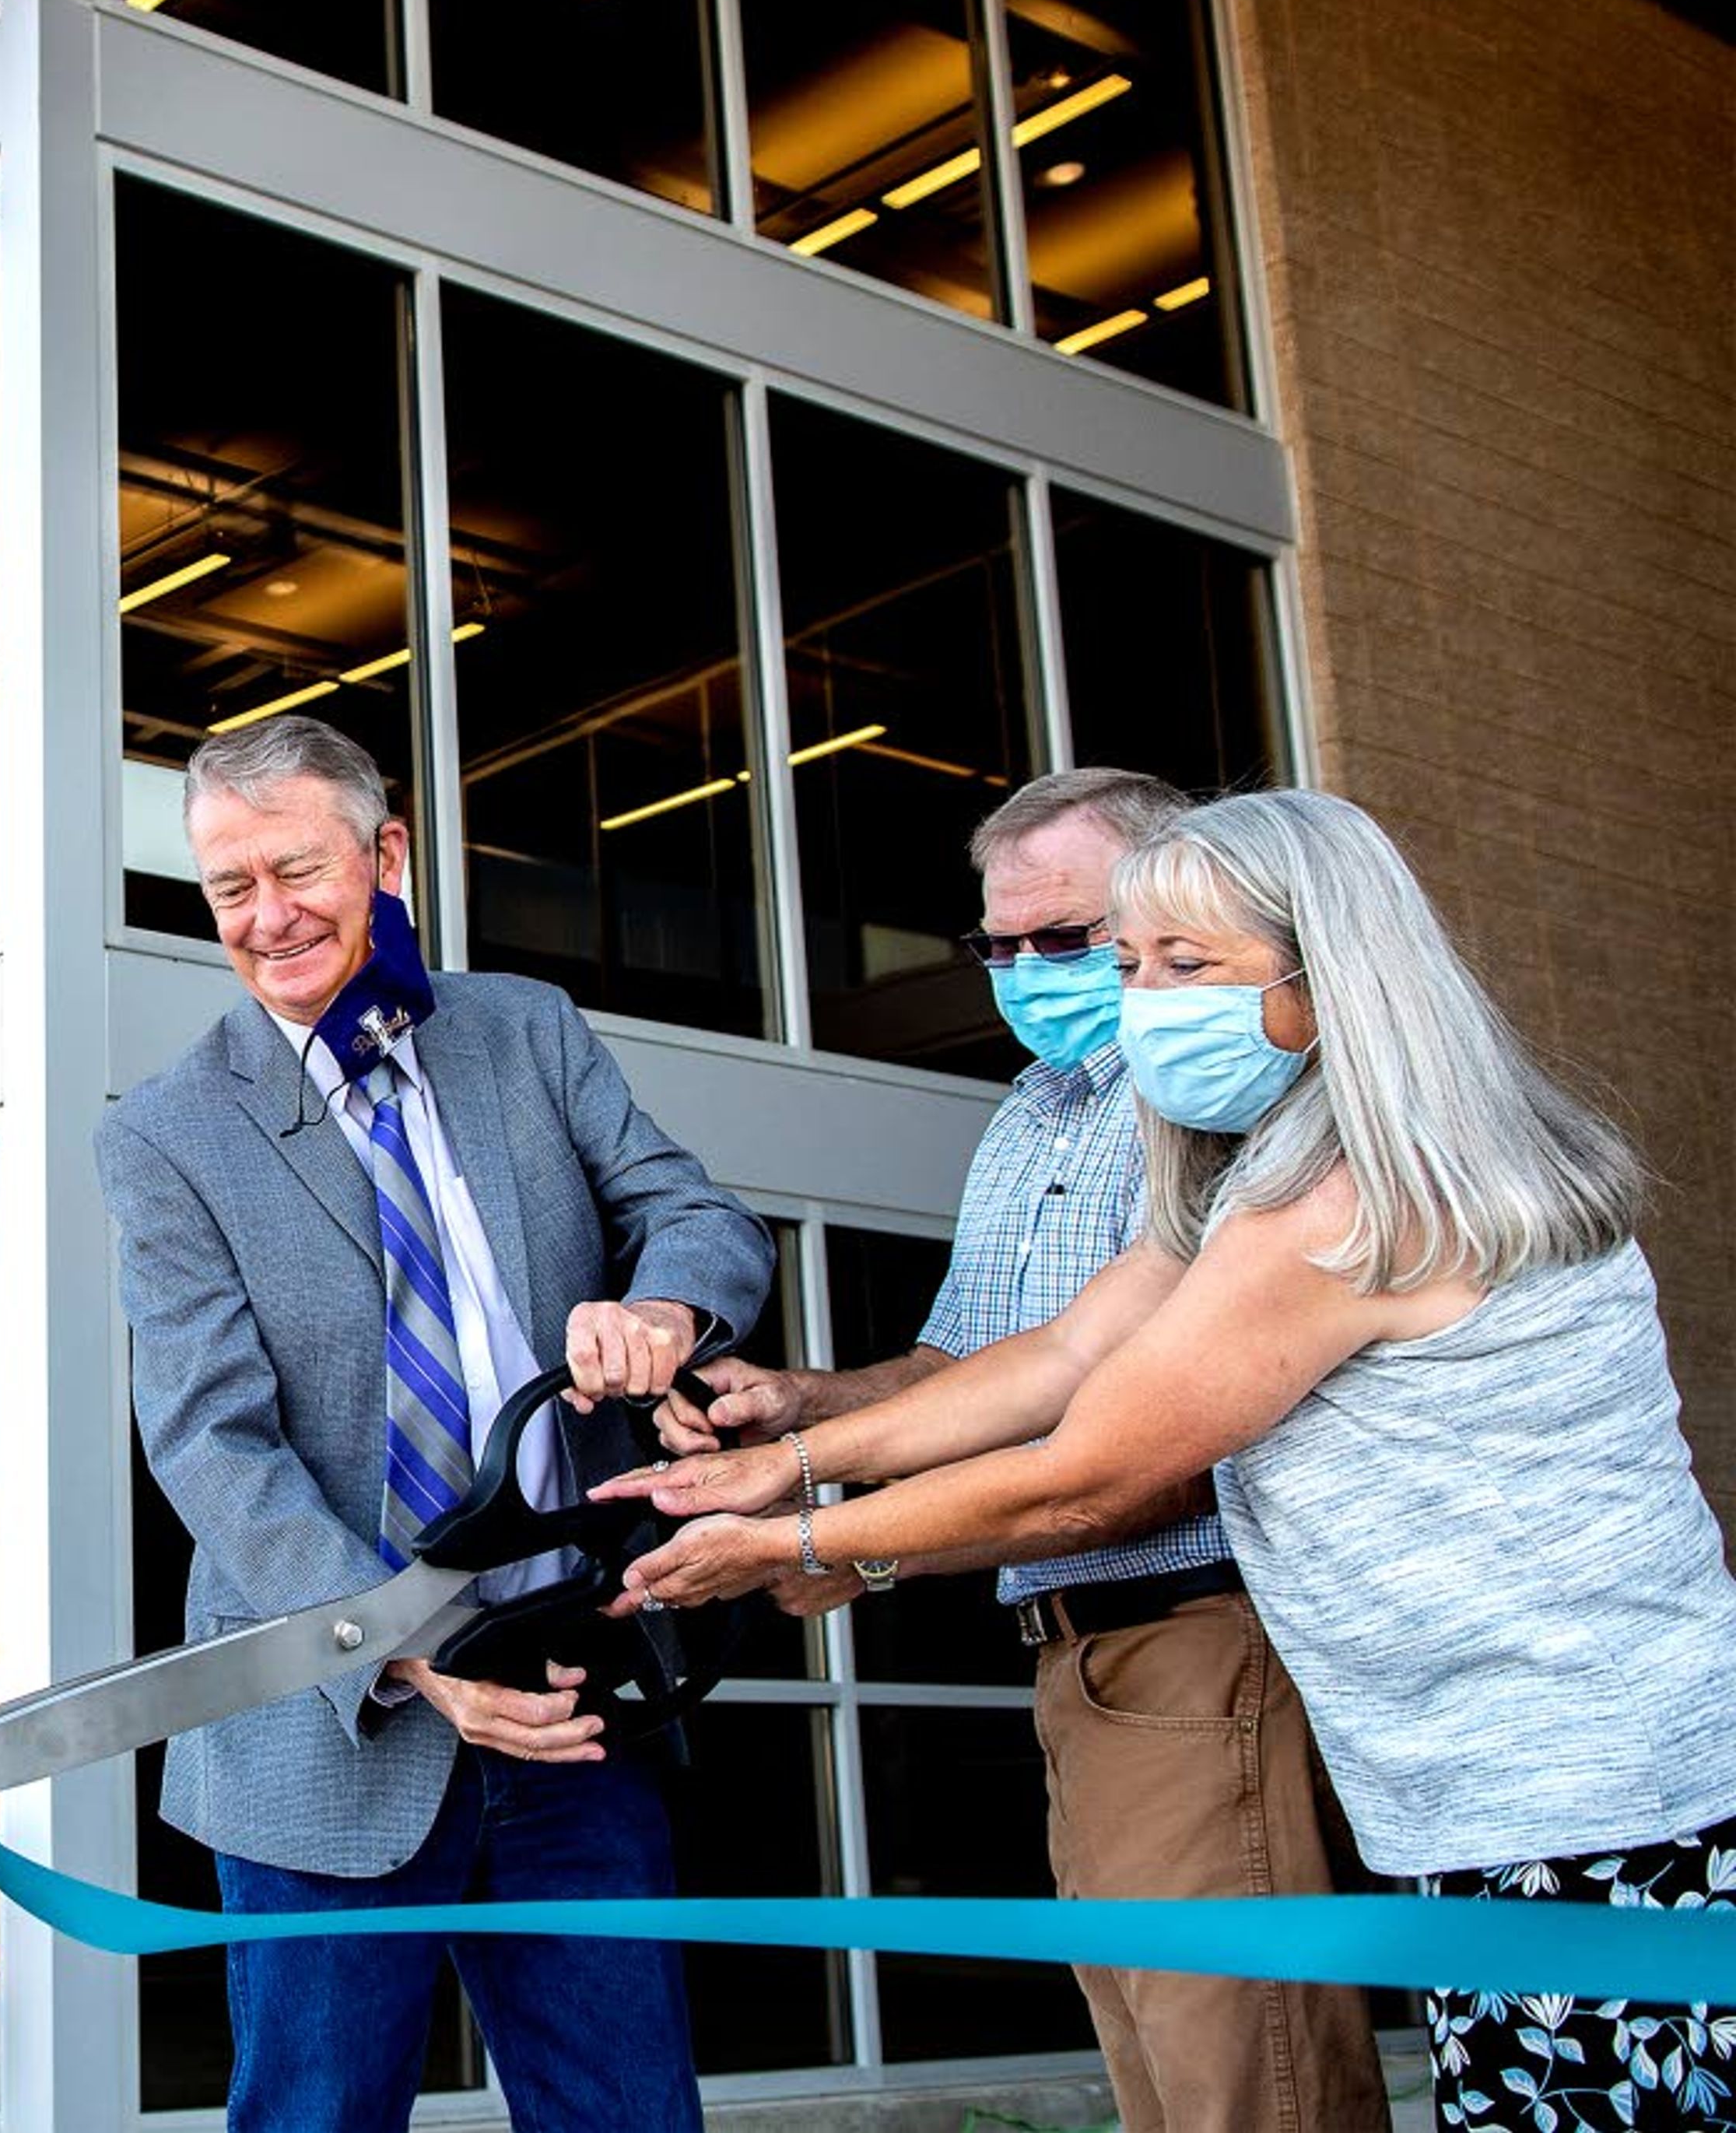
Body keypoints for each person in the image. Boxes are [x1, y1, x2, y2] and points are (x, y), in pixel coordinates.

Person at [600, 788, 1736, 2127]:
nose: (1144, 1005)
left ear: (1333, 976)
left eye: (1187, 967)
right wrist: (789, 1466)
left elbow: (1093, 1465)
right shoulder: (1263, 1178)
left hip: (1593, 1788)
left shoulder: (1353, 1195)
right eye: (1132, 965)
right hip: (1491, 1788)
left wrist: (788, 1542)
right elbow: (1060, 1357)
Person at [656, 767, 1382, 2133]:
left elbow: (1118, 1452)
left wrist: (824, 1532)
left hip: (1192, 1617)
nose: (1036, 975)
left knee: (1247, 2076)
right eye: (1003, 946)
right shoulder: (1031, 1115)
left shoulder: (1236, 1116)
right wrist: (803, 1417)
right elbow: (997, 1364)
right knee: (1160, 2064)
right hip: (1074, 1645)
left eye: (1080, 944)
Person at [98, 714, 771, 2133]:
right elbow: (214, 1445)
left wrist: (668, 1311)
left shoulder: (523, 1030)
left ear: (385, 853)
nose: (267, 918)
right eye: (231, 889)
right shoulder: (164, 1135)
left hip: (571, 1710)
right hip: (329, 1727)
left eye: (297, 870)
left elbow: (697, 1216)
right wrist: (412, 1646)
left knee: (629, 2119)